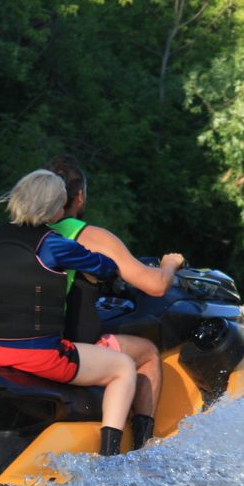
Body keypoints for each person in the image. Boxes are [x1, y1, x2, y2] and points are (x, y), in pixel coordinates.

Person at [0, 169, 137, 456]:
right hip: (40, 357)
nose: (63, 207)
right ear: (52, 207)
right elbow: (105, 267)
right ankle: (111, 459)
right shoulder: (52, 244)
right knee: (123, 368)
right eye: (60, 202)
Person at [46, 155, 185, 451]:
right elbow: (156, 286)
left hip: (28, 341)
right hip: (69, 348)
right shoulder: (86, 235)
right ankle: (141, 450)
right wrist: (169, 264)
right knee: (146, 353)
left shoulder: (29, 231)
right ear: (80, 196)